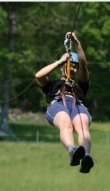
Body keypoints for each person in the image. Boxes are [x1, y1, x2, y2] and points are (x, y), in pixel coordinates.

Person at [35, 32, 94, 173]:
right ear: (63, 67)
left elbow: (84, 66)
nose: (73, 69)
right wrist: (59, 61)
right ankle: (73, 150)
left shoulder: (81, 85)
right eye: (69, 65)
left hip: (77, 105)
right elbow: (39, 75)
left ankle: (86, 157)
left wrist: (77, 44)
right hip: (58, 104)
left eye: (75, 66)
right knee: (66, 124)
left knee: (82, 126)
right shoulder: (53, 83)